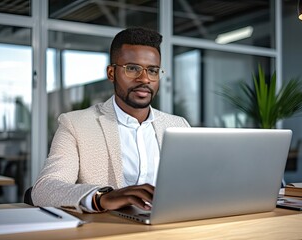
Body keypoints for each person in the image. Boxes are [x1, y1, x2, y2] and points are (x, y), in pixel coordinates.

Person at [31, 27, 190, 213]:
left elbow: (197, 183)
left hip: (171, 224)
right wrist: (102, 197)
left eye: (153, 71)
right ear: (111, 73)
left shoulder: (178, 125)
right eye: (132, 68)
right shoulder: (76, 124)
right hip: (110, 228)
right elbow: (44, 189)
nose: (145, 79)